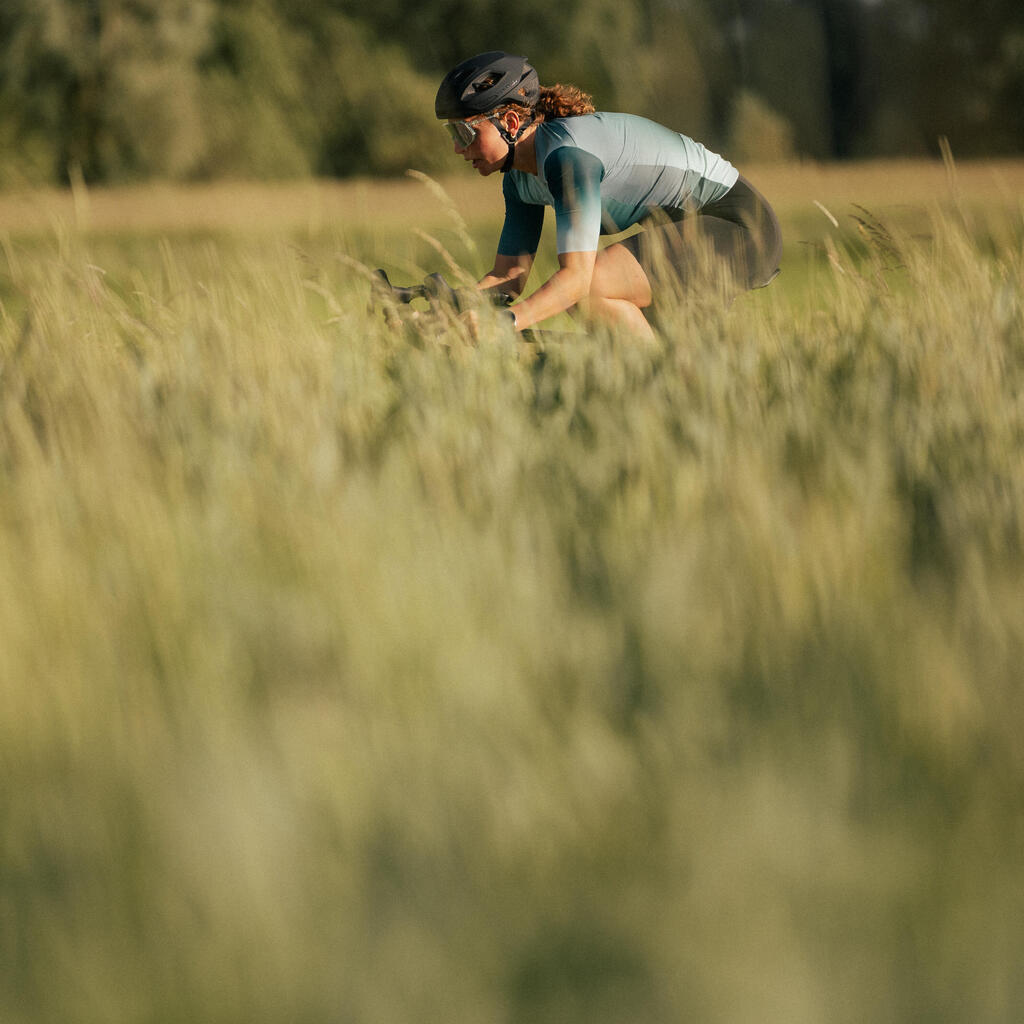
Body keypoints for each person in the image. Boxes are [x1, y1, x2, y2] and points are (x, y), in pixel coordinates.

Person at [435, 51, 782, 339]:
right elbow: (507, 278)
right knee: (673, 357)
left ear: (510, 123)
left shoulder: (566, 157)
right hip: (695, 233)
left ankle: (657, 393)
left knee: (591, 291)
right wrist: (445, 312)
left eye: (465, 132)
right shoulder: (519, 180)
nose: (456, 147)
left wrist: (505, 323)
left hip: (742, 229)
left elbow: (577, 280)